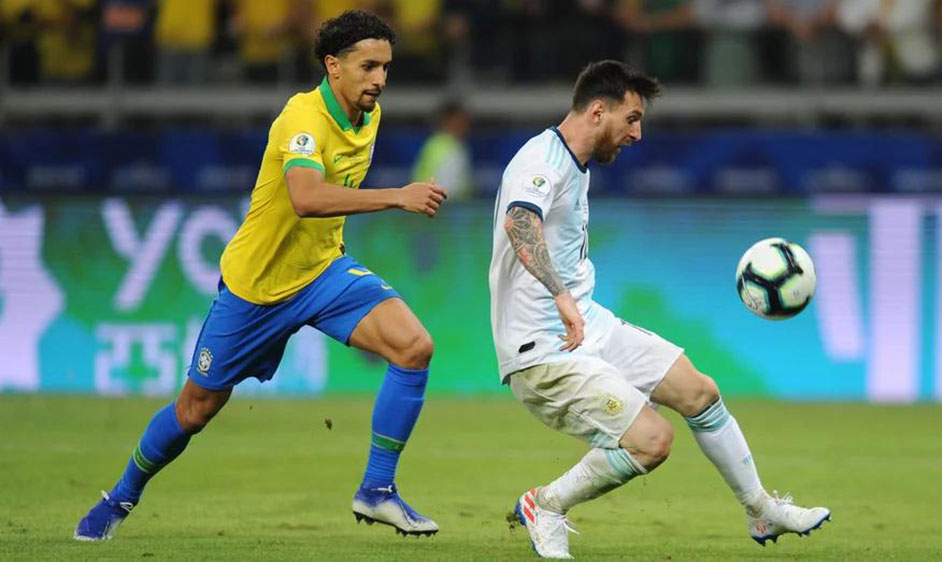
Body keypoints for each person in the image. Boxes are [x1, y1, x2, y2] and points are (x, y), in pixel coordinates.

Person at [74, 10, 447, 541]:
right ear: (333, 66)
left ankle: (377, 490)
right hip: (257, 288)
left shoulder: (370, 116)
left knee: (414, 347)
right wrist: (397, 196)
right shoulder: (301, 119)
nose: (380, 79)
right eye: (368, 67)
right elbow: (306, 197)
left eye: (386, 67)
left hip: (322, 273)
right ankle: (119, 497)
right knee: (195, 410)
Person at [489, 60, 830, 559]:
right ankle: (547, 504)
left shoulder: (573, 163)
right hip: (541, 349)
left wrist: (571, 301)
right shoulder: (540, 161)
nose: (638, 134)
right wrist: (560, 295)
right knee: (652, 441)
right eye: (631, 119)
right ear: (598, 111)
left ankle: (761, 510)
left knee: (700, 392)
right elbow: (520, 222)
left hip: (588, 324)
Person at [411, 100, 474, 200]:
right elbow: (449, 188)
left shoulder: (455, 145)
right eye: (460, 120)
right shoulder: (443, 147)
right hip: (439, 205)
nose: (465, 125)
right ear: (448, 121)